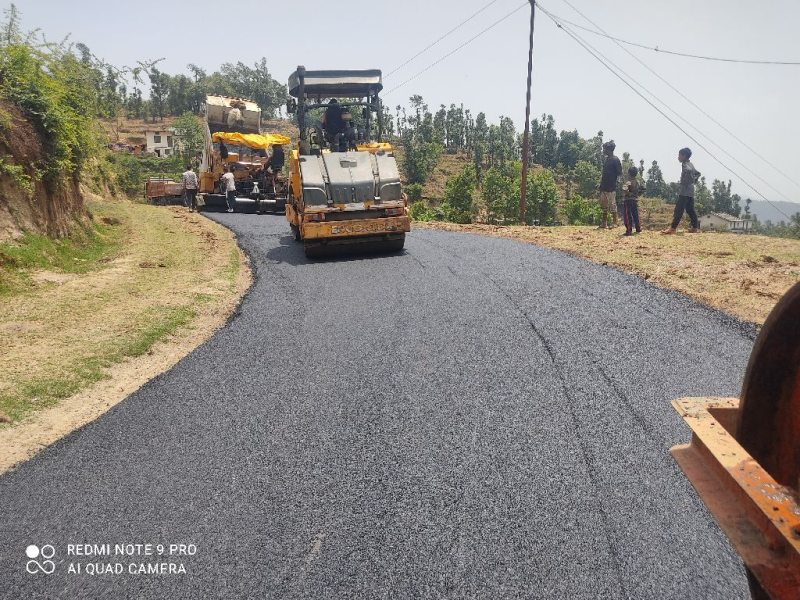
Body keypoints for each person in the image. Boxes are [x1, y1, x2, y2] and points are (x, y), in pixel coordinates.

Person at [662, 147, 701, 234]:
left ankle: (673, 228)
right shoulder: (691, 164)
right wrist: (693, 180)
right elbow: (698, 174)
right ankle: (695, 228)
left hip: (684, 191)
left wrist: (686, 181)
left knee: (678, 210)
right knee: (690, 210)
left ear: (684, 156)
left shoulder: (685, 164)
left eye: (679, 155)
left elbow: (688, 171)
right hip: (691, 191)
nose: (678, 157)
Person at [598, 140, 622, 229]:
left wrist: (613, 178)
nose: (603, 151)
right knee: (604, 205)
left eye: (604, 149)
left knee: (612, 205)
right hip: (604, 186)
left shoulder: (615, 160)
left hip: (611, 187)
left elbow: (619, 172)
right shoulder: (607, 160)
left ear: (609, 150)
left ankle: (614, 223)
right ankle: (604, 223)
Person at [621, 166, 643, 236]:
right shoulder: (637, 182)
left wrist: (628, 193)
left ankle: (629, 230)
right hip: (635, 200)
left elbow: (624, 189)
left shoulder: (629, 182)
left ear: (629, 174)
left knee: (628, 215)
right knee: (635, 214)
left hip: (628, 200)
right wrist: (636, 195)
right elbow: (641, 189)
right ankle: (638, 228)